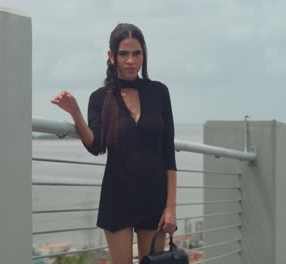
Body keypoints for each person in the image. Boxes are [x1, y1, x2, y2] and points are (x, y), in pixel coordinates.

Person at [51, 23, 177, 264]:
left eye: (137, 53)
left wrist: (171, 207)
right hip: (118, 195)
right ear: (111, 56)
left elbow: (168, 153)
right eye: (123, 53)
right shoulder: (100, 98)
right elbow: (95, 145)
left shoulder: (160, 92)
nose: (131, 60)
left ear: (144, 54)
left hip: (155, 197)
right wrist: (76, 113)